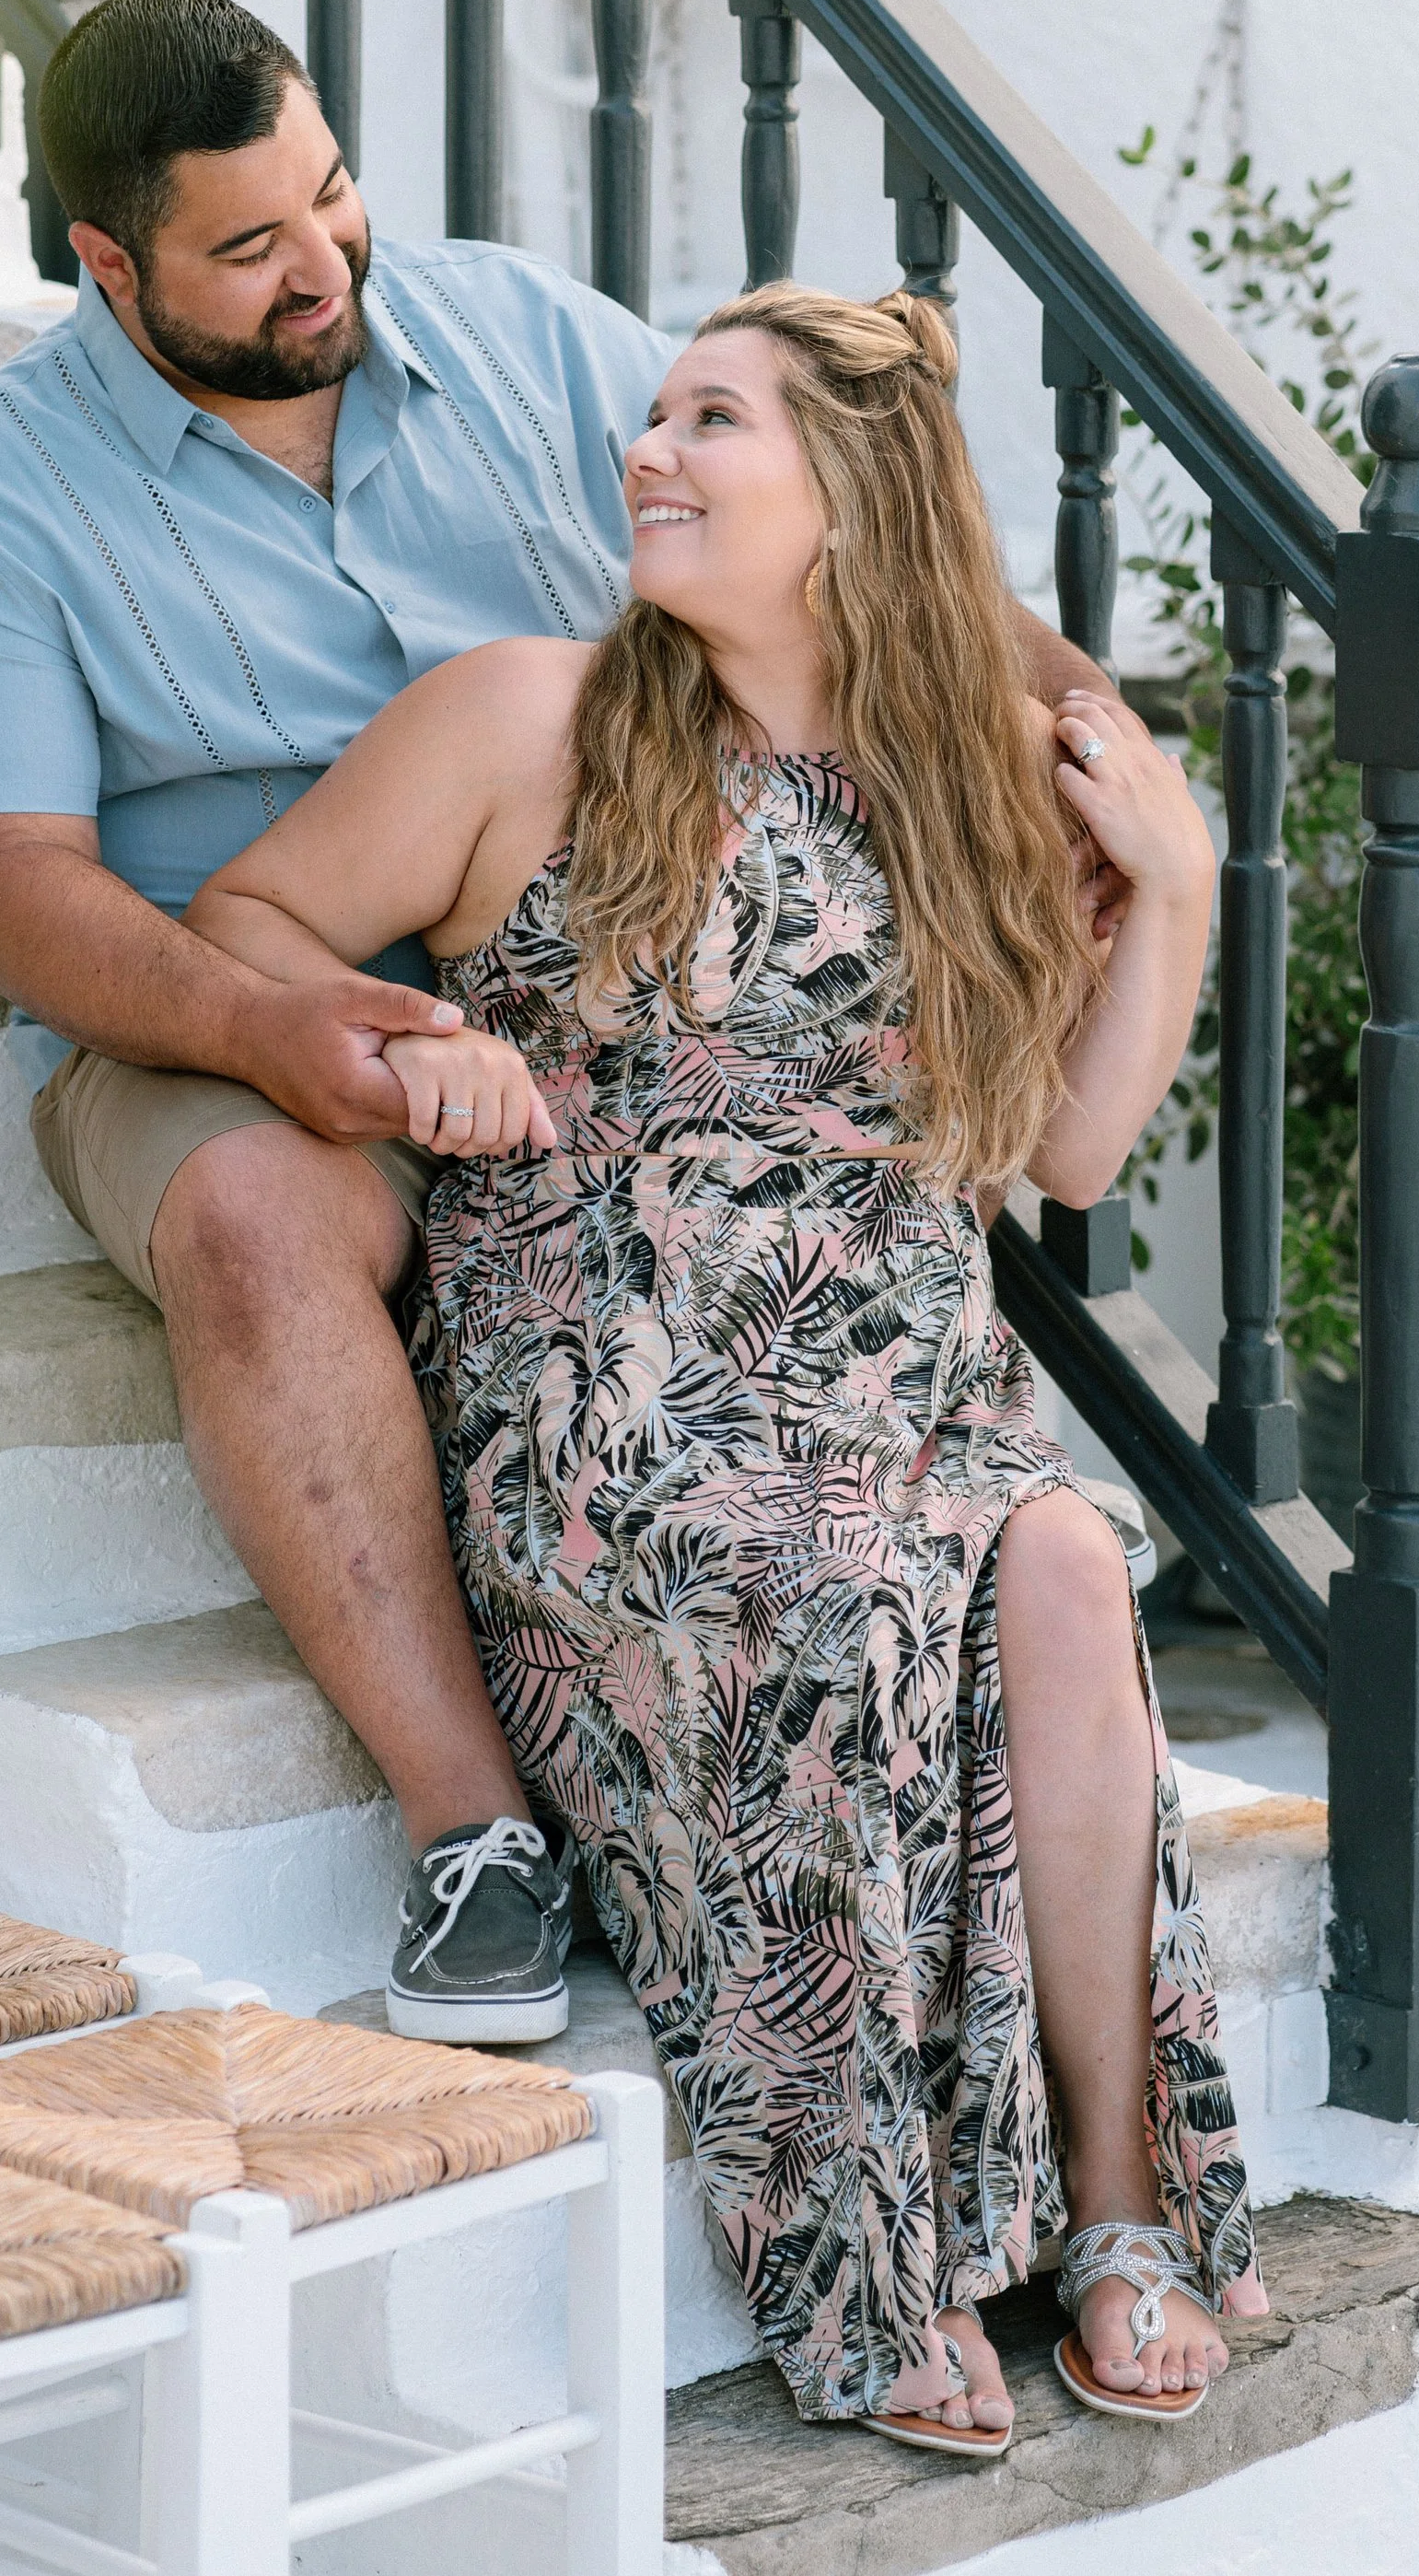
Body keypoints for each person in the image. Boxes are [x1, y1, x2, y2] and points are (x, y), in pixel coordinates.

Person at [0, 0, 1113, 2053]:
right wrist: (262, 1027)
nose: (321, 264)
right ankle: (475, 1832)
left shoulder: (524, 334)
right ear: (108, 262)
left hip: (602, 979)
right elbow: (8, 887)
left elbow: (837, 537)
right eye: (247, 247)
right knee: (257, 1215)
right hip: (230, 1004)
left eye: (331, 195)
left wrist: (1088, 744)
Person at [187, 283, 1265, 2447]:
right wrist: (418, 1044)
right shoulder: (528, 716)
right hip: (616, 1403)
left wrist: (1176, 888)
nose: (648, 453)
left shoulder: (969, 787)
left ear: (851, 495)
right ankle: (859, 2257)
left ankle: (1117, 2199)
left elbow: (1062, 1151)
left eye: (711, 421)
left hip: (898, 1381)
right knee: (827, 1589)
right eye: (655, 415)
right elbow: (244, 928)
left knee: (1068, 1562)